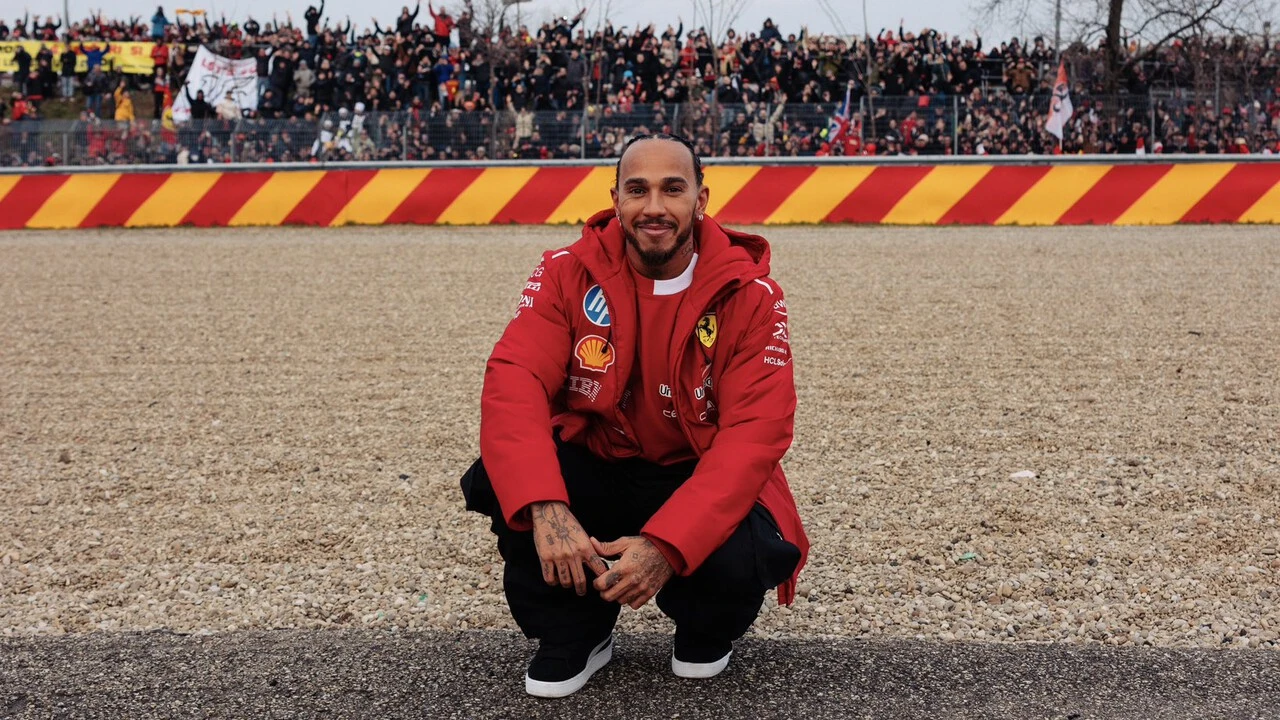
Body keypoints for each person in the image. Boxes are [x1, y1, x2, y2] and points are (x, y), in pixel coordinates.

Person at [461, 133, 808, 698]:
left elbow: (754, 435)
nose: (654, 207)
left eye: (672, 189)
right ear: (616, 199)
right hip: (599, 460)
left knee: (741, 542)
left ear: (700, 200)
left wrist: (668, 545)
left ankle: (705, 627)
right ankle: (576, 630)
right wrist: (544, 505)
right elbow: (513, 381)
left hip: (691, 469)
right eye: (637, 190)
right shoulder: (563, 271)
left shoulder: (753, 294)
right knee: (505, 480)